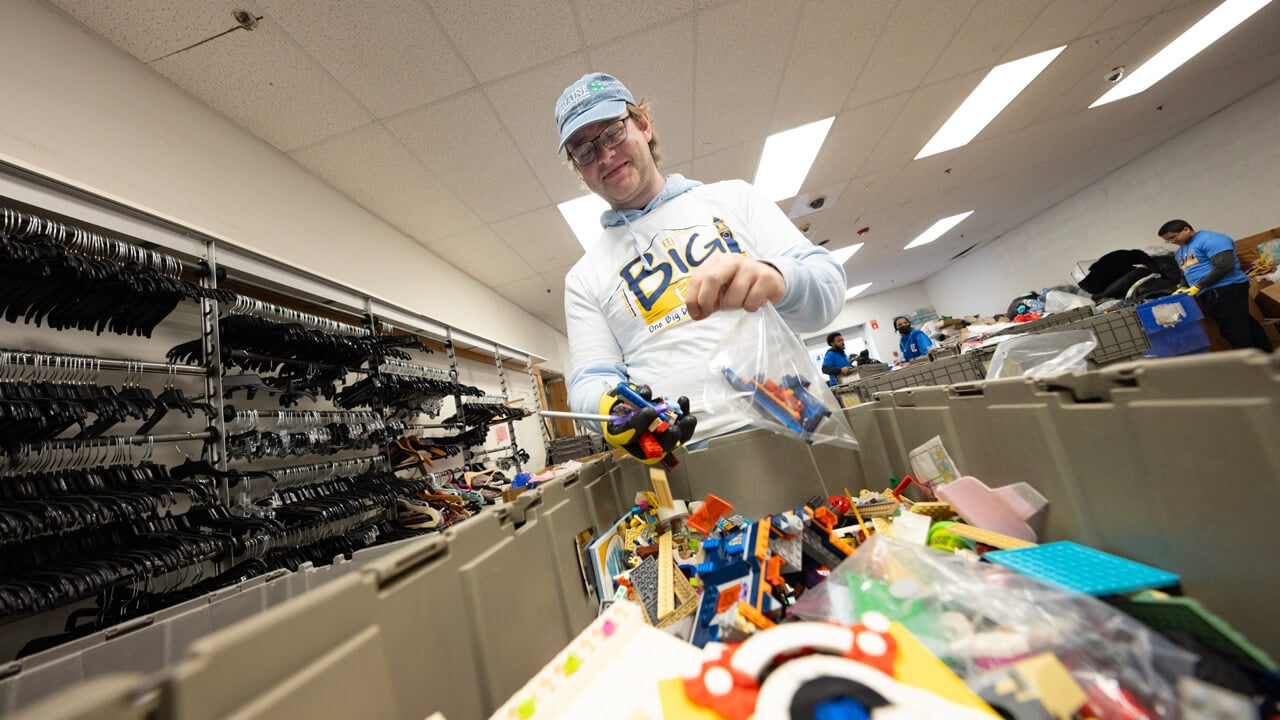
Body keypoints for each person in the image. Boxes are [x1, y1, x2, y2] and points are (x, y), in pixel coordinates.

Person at [556, 72, 846, 460]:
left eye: (612, 132)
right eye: (585, 151)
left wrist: (778, 279)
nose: (605, 155)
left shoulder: (734, 198)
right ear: (579, 169)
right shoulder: (583, 277)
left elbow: (827, 289)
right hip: (687, 459)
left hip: (800, 426)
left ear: (644, 124)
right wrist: (611, 408)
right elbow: (589, 380)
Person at [1158, 220, 1272, 353]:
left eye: (1173, 237)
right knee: (1244, 323)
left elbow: (1224, 265)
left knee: (1233, 329)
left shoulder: (1211, 239)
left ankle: (1247, 364)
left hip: (1227, 288)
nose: (1172, 242)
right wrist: (1183, 286)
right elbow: (1185, 271)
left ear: (1186, 229)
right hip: (1209, 291)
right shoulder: (1181, 251)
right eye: (1168, 240)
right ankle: (1266, 354)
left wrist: (1199, 286)